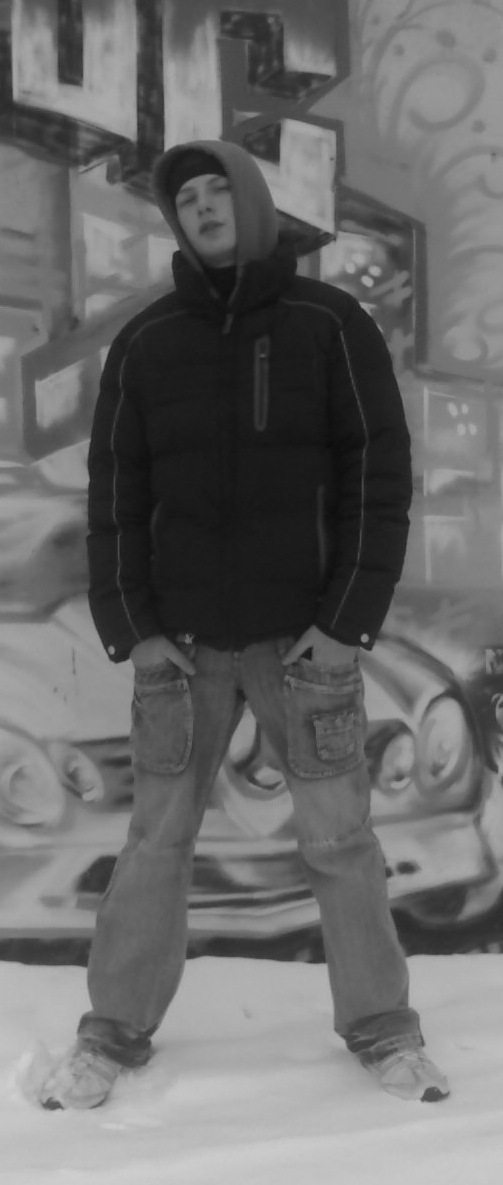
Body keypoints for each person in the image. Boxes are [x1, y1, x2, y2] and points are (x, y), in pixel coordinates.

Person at [39, 140, 449, 1110]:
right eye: (186, 197)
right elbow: (114, 497)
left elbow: (377, 482)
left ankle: (383, 1029)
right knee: (154, 843)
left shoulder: (329, 325)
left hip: (305, 647)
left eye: (219, 189)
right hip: (178, 652)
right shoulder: (148, 342)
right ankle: (112, 1033)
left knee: (339, 842)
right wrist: (133, 628)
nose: (203, 205)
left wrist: (344, 624)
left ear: (254, 204)